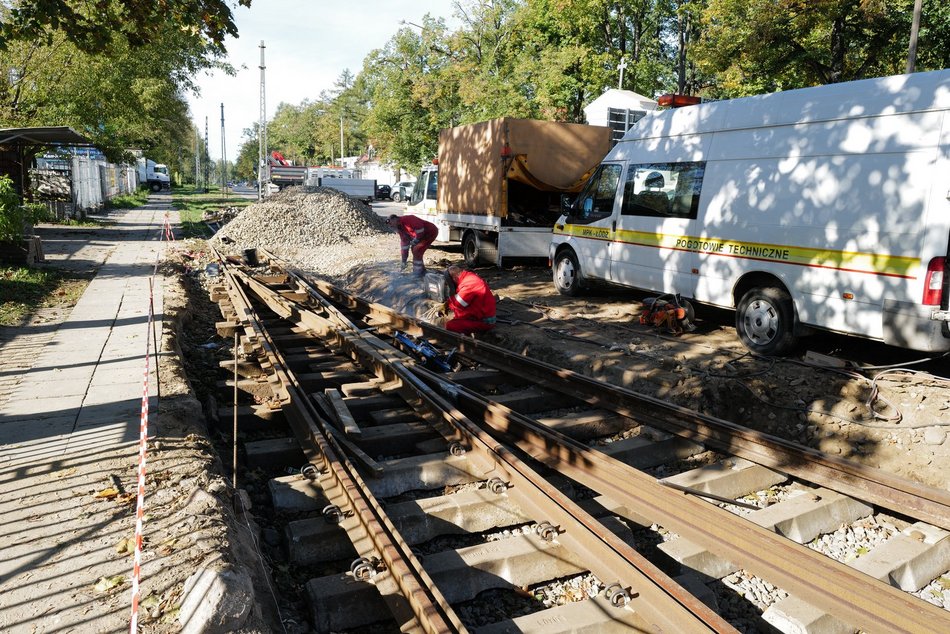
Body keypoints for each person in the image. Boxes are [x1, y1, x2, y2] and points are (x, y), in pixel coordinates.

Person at [444, 265, 497, 334]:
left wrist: (449, 303)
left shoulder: (469, 284)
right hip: (481, 314)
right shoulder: (468, 277)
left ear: (454, 278)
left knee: (450, 325)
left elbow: (458, 305)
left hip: (484, 321)